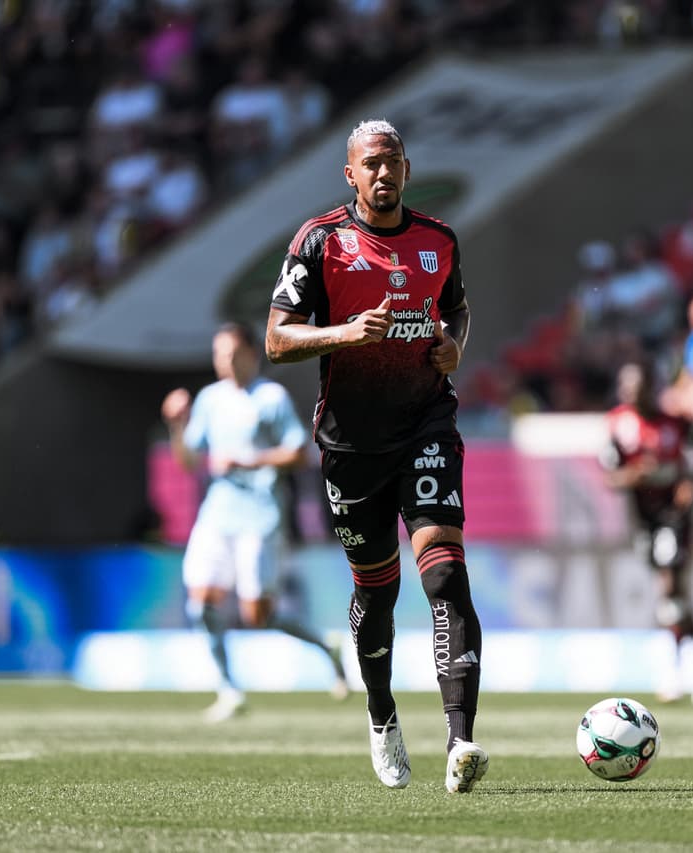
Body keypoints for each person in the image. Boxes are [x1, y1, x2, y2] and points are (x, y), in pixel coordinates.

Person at [264, 119, 486, 793]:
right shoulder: (320, 241)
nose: (383, 172)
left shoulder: (438, 240)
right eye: (371, 164)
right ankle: (382, 712)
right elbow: (276, 339)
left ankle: (461, 740)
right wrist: (347, 334)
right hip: (351, 444)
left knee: (445, 574)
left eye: (392, 161)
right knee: (377, 592)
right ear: (351, 175)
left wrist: (454, 344)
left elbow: (457, 310)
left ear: (407, 169)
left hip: (426, 423)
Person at [161, 322, 348, 723]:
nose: (223, 362)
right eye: (218, 355)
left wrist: (249, 460)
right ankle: (228, 689)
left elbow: (299, 453)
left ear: (250, 354)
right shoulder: (210, 399)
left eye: (230, 354)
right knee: (201, 602)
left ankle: (325, 646)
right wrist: (176, 424)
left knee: (257, 616)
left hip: (260, 516)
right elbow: (189, 461)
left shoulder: (270, 397)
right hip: (217, 514)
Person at [601, 362, 693, 707]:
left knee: (669, 586)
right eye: (625, 390)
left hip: (675, 516)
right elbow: (611, 477)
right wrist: (635, 475)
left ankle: (673, 667)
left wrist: (689, 481)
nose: (630, 396)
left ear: (651, 388)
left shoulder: (677, 422)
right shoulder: (618, 425)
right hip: (644, 519)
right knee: (675, 596)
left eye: (636, 389)